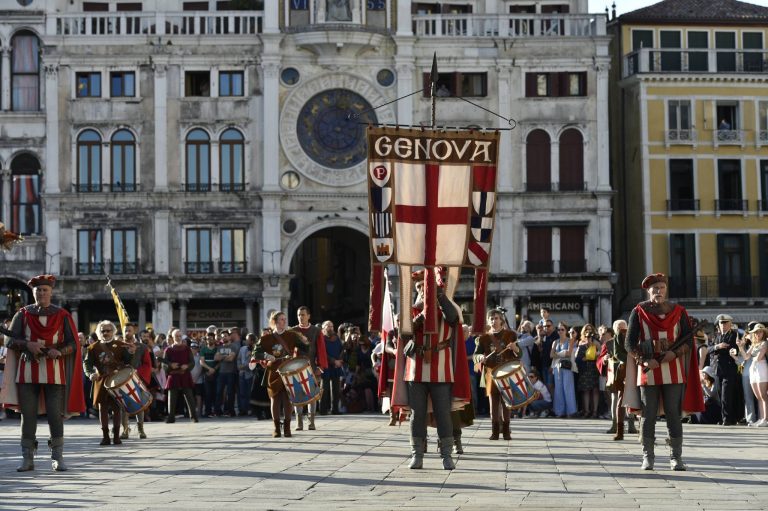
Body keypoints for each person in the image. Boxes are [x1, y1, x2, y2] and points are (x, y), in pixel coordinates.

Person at [0, 275, 85, 471]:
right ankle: (27, 458)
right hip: (27, 370)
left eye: (45, 290)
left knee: (55, 415)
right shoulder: (22, 314)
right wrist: (27, 344)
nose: (42, 293)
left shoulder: (63, 315)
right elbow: (9, 342)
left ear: (51, 292)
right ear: (33, 292)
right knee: (28, 416)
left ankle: (57, 457)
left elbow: (73, 344)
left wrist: (60, 351)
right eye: (38, 290)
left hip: (55, 371)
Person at [625, 273, 703, 471]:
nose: (658, 291)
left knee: (673, 414)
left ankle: (676, 457)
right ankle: (647, 456)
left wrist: (675, 353)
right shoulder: (638, 311)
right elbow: (630, 342)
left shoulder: (679, 311)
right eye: (654, 288)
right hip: (648, 370)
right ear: (648, 291)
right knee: (648, 414)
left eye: (661, 288)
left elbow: (687, 341)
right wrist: (643, 359)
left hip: (673, 369)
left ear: (665, 289)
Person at [399, 269, 469, 471]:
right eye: (420, 286)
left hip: (441, 367)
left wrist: (438, 295)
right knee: (417, 414)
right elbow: (404, 333)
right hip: (416, 368)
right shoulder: (410, 309)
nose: (423, 289)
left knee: (443, 413)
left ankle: (446, 455)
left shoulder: (447, 305)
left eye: (426, 285)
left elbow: (453, 318)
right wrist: (421, 316)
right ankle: (417, 455)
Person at [252, 311, 310, 438]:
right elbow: (255, 353)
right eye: (282, 319)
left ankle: (288, 428)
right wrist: (266, 356)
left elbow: (306, 349)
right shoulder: (266, 338)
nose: (284, 321)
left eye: (285, 319)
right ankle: (277, 428)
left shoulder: (292, 335)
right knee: (275, 399)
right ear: (275, 321)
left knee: (287, 400)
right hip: (273, 372)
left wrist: (305, 341)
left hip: (288, 371)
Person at [84, 320, 132, 446]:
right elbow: (87, 364)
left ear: (113, 331)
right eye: (102, 331)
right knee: (102, 409)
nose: (105, 333)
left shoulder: (121, 345)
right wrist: (90, 374)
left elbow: (128, 361)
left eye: (108, 330)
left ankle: (116, 436)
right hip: (101, 381)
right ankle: (105, 437)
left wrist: (131, 352)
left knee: (117, 408)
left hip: (116, 381)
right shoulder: (93, 347)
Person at [473, 308, 520, 440]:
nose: (494, 321)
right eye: (491, 318)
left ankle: (506, 431)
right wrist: (480, 358)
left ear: (501, 320)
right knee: (493, 405)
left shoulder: (511, 335)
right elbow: (475, 356)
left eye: (496, 318)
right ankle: (494, 431)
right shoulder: (483, 338)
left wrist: (514, 348)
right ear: (488, 321)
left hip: (507, 373)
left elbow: (519, 354)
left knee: (506, 404)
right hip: (490, 373)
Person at [291, 306, 326, 430]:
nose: (301, 317)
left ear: (309, 316)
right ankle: (299, 422)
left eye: (303, 314)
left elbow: (321, 350)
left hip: (312, 367)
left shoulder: (316, 331)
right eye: (299, 315)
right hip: (296, 368)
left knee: (312, 396)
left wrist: (320, 367)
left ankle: (311, 422)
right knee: (298, 395)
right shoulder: (293, 331)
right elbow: (289, 351)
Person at [708, 313, 741, 425]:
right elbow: (709, 349)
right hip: (718, 369)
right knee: (719, 394)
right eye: (721, 323)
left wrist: (719, 349)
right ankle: (725, 417)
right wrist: (717, 346)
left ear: (730, 324)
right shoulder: (717, 336)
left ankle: (727, 418)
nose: (723, 325)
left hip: (728, 369)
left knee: (726, 395)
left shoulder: (733, 335)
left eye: (725, 323)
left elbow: (733, 350)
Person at [120, 323, 151, 439]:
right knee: (124, 405)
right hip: (122, 380)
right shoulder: (119, 346)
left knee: (139, 404)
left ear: (134, 331)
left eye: (129, 330)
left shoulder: (142, 347)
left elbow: (147, 364)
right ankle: (125, 430)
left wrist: (139, 372)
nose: (127, 332)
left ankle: (140, 429)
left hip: (137, 379)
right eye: (125, 330)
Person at [163, 328, 198, 423]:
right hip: (173, 376)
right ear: (172, 337)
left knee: (190, 397)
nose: (178, 338)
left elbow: (192, 362)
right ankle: (171, 417)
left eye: (179, 336)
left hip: (185, 375)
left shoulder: (187, 349)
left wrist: (187, 366)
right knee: (172, 398)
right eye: (176, 336)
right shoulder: (168, 350)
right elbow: (164, 364)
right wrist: (170, 365)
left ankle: (194, 417)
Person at [741, 323, 768, 426]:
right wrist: (740, 347)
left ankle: (765, 419)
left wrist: (752, 354)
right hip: (753, 368)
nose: (758, 334)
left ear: (763, 333)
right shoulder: (754, 344)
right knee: (758, 396)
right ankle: (761, 418)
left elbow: (759, 357)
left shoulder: (765, 343)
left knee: (763, 395)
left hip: (761, 368)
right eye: (756, 332)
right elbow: (746, 357)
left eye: (760, 332)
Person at [551, 323, 577, 418]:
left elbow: (569, 353)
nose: (560, 331)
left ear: (566, 330)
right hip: (557, 367)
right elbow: (551, 355)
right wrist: (562, 353)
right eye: (558, 329)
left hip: (566, 367)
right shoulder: (555, 342)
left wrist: (557, 354)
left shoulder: (570, 340)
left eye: (562, 329)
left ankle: (570, 412)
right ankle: (559, 412)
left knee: (568, 388)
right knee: (558, 389)